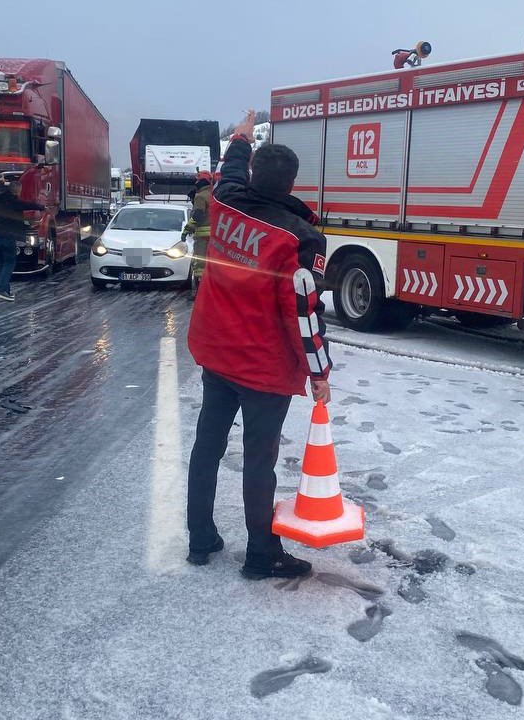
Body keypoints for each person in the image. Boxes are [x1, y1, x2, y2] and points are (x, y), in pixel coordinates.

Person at [186, 110, 333, 580]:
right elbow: (304, 315)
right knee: (258, 460)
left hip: (216, 353)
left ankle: (200, 537)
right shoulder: (301, 239)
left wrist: (242, 135)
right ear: (291, 184)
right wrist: (320, 374)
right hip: (263, 368)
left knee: (207, 446)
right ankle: (261, 553)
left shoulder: (226, 201)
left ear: (253, 175)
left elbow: (230, 169)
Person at [0, 176, 44, 302]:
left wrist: (1, 183)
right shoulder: (14, 201)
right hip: (7, 236)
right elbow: (27, 205)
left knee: (2, 263)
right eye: (19, 191)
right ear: (17, 191)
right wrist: (42, 207)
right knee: (9, 263)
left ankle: (5, 291)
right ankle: (0, 290)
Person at [181, 170, 213, 299]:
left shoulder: (200, 196)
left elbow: (198, 216)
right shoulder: (213, 194)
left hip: (202, 237)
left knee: (199, 264)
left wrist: (186, 230)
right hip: (213, 237)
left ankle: (200, 293)